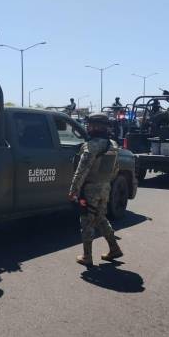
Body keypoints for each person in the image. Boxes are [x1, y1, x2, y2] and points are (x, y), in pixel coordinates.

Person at [68, 113, 123, 266]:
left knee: (86, 220)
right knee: (100, 217)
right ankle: (114, 248)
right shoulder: (113, 144)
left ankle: (87, 256)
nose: (87, 127)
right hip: (105, 187)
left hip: (90, 189)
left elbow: (81, 170)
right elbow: (116, 168)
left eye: (90, 124)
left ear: (96, 126)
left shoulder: (91, 146)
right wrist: (105, 183)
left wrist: (73, 190)